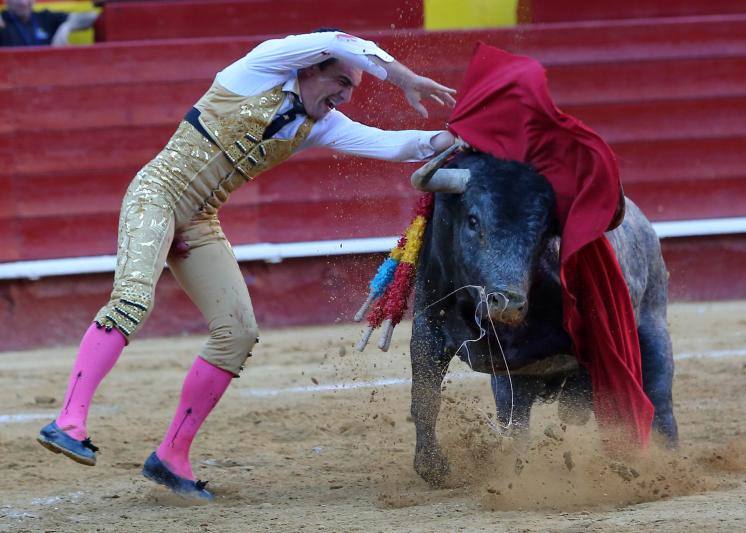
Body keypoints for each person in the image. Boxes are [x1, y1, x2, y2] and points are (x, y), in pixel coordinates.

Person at [36, 29, 456, 501]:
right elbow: (341, 39)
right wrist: (403, 77)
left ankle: (172, 455)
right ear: (311, 67)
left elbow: (394, 145)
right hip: (156, 195)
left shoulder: (319, 123)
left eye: (351, 88)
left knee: (237, 332)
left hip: (198, 219)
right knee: (134, 295)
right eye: (340, 81)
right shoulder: (260, 68)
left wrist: (458, 138)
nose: (344, 94)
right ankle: (69, 419)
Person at [0, 0, 97, 47]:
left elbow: (91, 17)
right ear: (6, 1)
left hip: (47, 74)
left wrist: (67, 26)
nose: (23, 3)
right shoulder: (2, 20)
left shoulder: (45, 17)